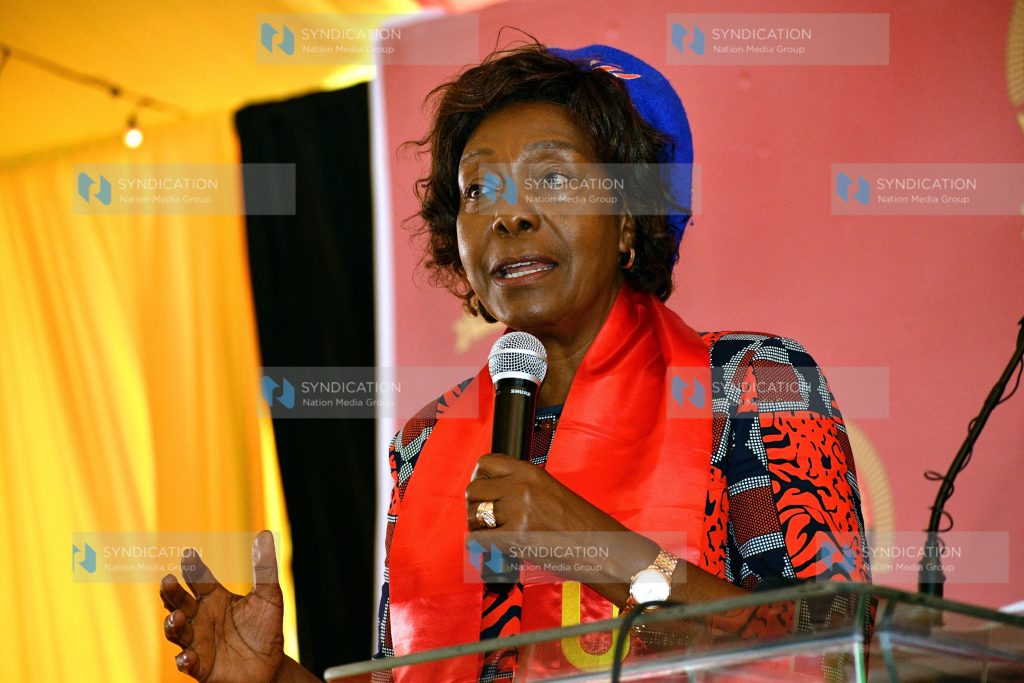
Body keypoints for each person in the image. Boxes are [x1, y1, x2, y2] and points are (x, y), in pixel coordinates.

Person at [160, 41, 870, 682]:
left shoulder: (751, 383)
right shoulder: (423, 444)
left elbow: (842, 652)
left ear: (628, 218)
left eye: (553, 178)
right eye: (479, 189)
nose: (509, 214)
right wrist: (276, 679)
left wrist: (595, 548)